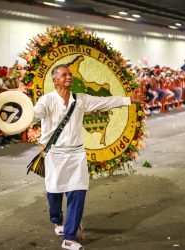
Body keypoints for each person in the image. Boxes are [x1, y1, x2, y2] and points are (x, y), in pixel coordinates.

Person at [32, 64, 145, 250]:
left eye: (70, 74)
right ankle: (57, 220)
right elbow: (34, 115)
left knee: (78, 191)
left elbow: (104, 102)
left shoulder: (80, 99)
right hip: (54, 155)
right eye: (64, 74)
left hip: (76, 154)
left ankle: (70, 237)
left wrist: (128, 100)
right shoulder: (47, 100)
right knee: (54, 193)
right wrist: (19, 116)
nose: (69, 77)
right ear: (55, 80)